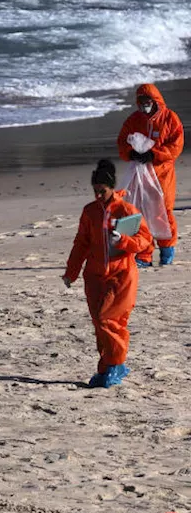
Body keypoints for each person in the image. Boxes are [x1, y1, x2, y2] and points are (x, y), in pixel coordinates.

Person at [63, 160, 153, 389]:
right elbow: (81, 243)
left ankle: (115, 365)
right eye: (95, 191)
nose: (98, 195)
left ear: (111, 187)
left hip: (121, 275)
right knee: (99, 324)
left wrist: (123, 240)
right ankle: (107, 367)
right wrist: (71, 272)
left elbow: (145, 241)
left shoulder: (126, 210)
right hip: (93, 275)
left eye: (102, 190)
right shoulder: (90, 211)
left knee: (108, 321)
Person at [117, 83, 183, 267]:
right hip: (139, 173)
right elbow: (122, 141)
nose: (144, 104)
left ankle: (167, 250)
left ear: (155, 101)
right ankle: (144, 255)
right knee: (140, 213)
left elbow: (175, 146)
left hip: (162, 174)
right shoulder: (134, 120)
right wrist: (130, 153)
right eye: (141, 101)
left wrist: (154, 154)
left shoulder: (170, 118)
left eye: (148, 101)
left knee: (163, 212)